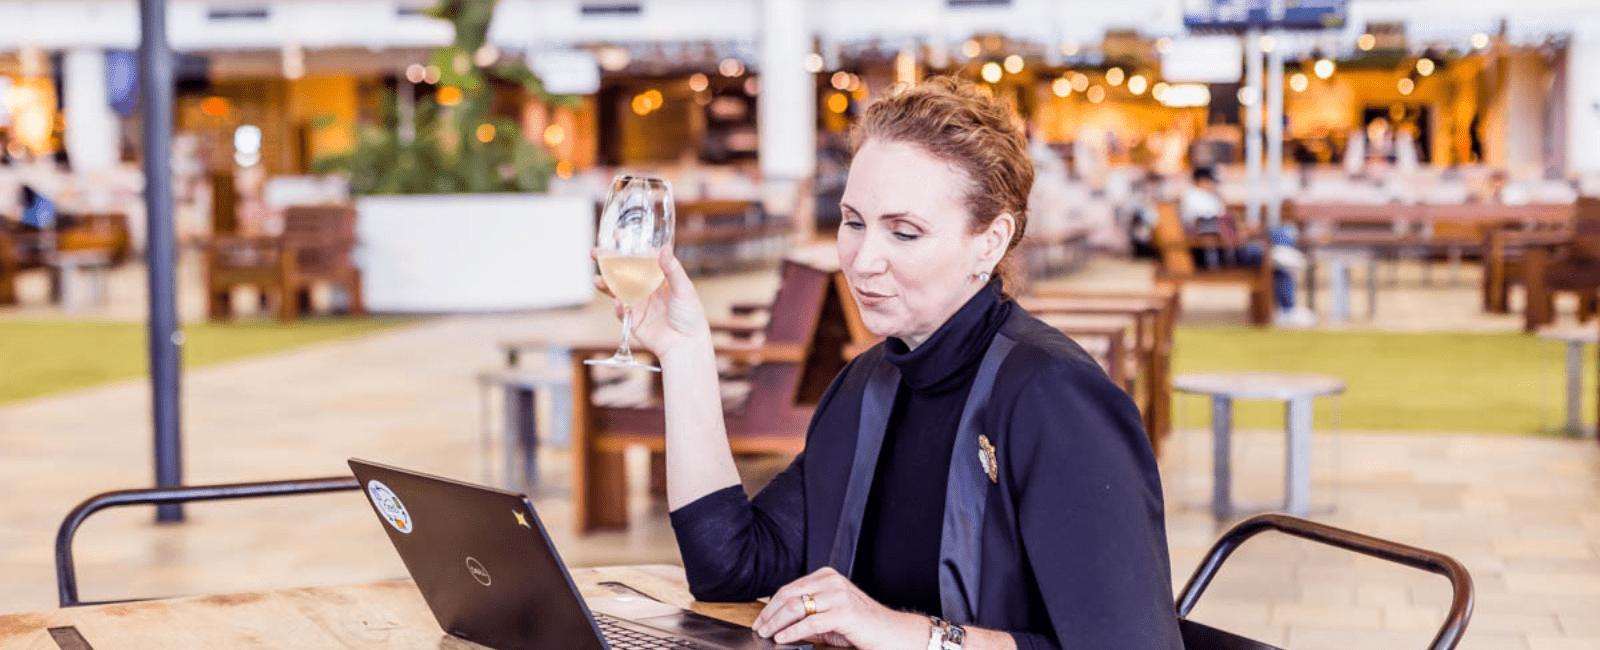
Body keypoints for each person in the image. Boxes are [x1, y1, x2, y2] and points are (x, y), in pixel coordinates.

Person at [602, 77, 1183, 650]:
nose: (862, 260)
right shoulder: (868, 383)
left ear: (990, 241)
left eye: (904, 233)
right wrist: (684, 353)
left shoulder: (1056, 398)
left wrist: (907, 633)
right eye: (853, 222)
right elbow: (731, 567)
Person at [1179, 167, 1312, 327]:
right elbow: (1206, 227)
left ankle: (1286, 303)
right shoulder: (1194, 199)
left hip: (1225, 249)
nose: (1215, 185)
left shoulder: (1205, 198)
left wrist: (1238, 231)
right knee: (1276, 257)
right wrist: (1236, 231)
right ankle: (1287, 307)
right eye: (1212, 182)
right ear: (1202, 181)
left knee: (1278, 240)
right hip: (1220, 255)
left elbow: (1220, 226)